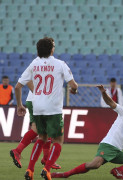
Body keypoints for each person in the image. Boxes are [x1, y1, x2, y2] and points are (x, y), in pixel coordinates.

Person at [15, 37, 78, 180]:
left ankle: (30, 170)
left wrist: (19, 105)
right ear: (51, 49)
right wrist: (74, 90)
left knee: (42, 137)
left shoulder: (34, 63)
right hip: (53, 108)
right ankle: (46, 169)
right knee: (58, 140)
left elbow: (18, 86)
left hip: (37, 107)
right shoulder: (60, 64)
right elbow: (73, 86)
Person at [10, 86, 61, 170]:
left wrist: (19, 104)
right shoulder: (49, 72)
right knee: (42, 131)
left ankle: (45, 157)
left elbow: (19, 85)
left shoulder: (34, 72)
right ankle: (18, 151)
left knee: (41, 129)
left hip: (33, 99)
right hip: (40, 100)